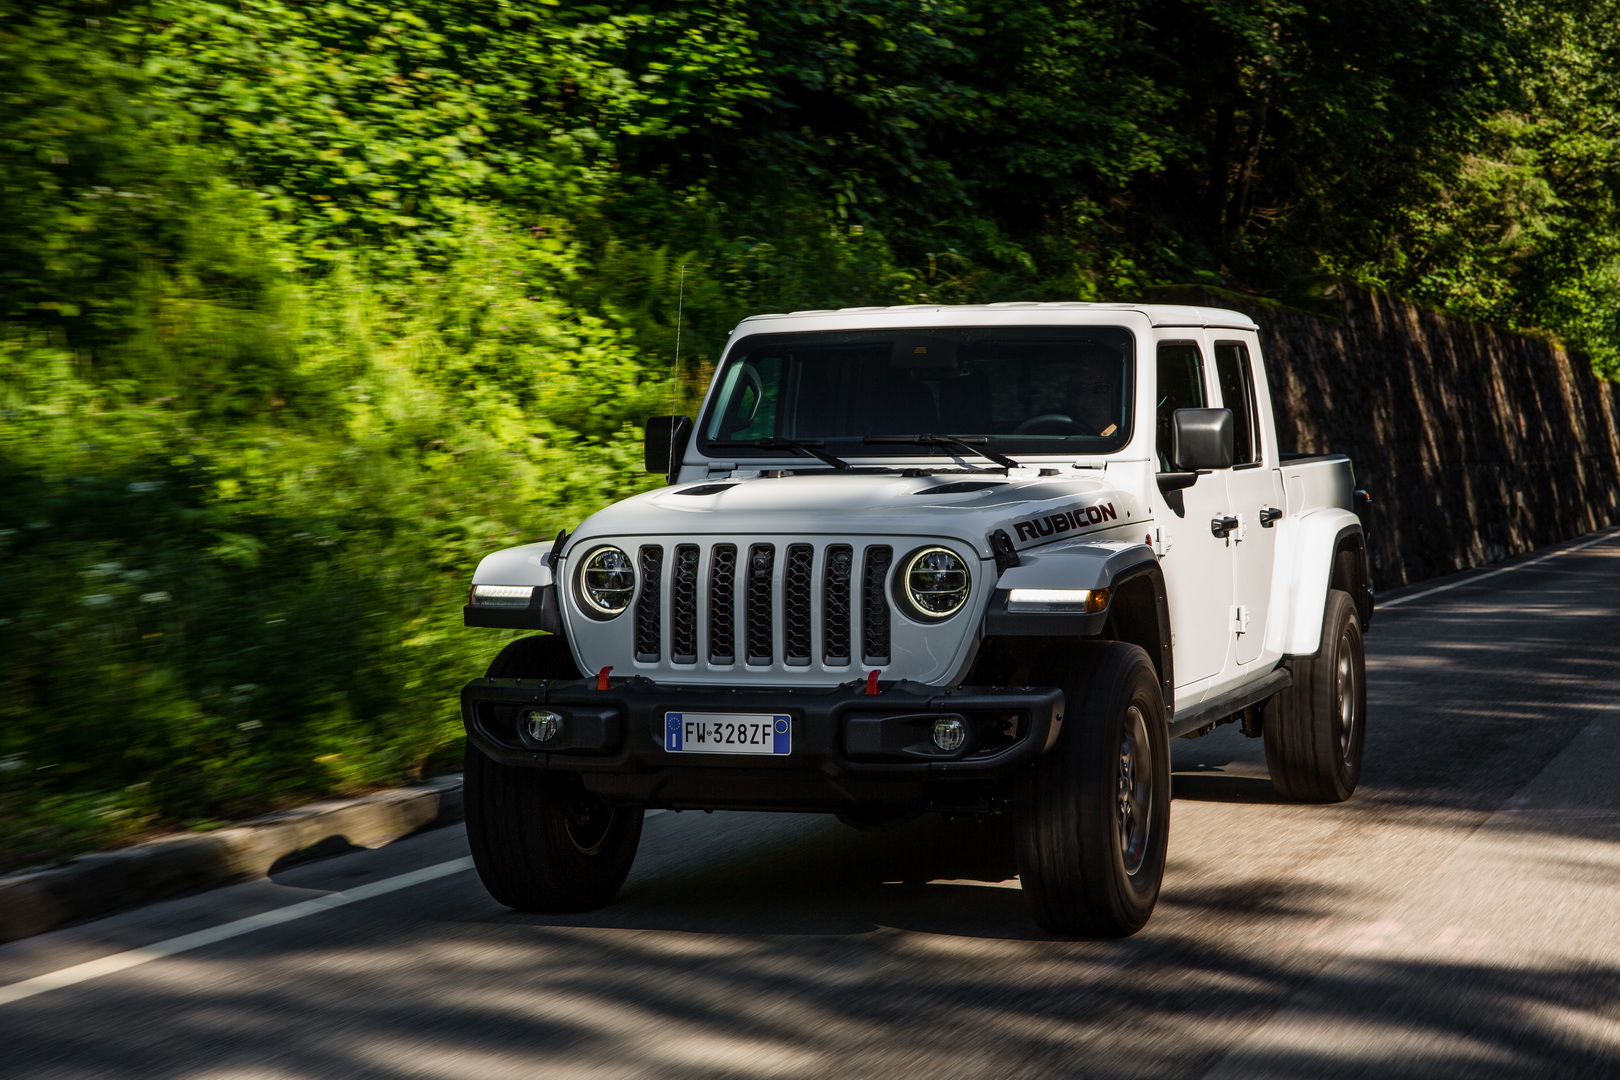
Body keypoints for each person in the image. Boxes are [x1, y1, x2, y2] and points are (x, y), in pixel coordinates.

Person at [1064, 347, 1123, 437]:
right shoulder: (1057, 434)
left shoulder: (1130, 438)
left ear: (1117, 393)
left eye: (1101, 388)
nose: (1089, 398)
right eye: (1079, 388)